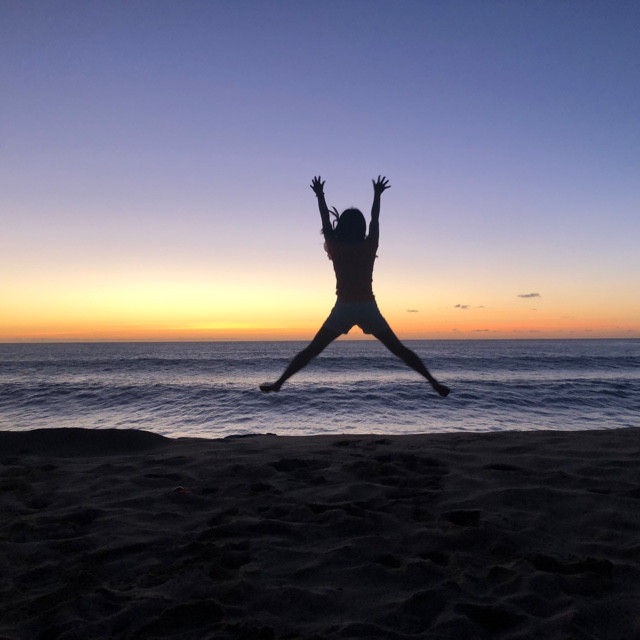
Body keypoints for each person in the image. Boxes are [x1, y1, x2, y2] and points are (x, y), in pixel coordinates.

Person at [260, 176, 450, 397]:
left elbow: (325, 220)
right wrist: (377, 195)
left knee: (312, 350)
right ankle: (433, 382)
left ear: (341, 226)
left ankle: (279, 383)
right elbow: (375, 220)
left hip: (344, 308)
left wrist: (320, 195)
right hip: (368, 307)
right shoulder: (369, 245)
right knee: (399, 349)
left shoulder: (336, 247)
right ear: (361, 228)